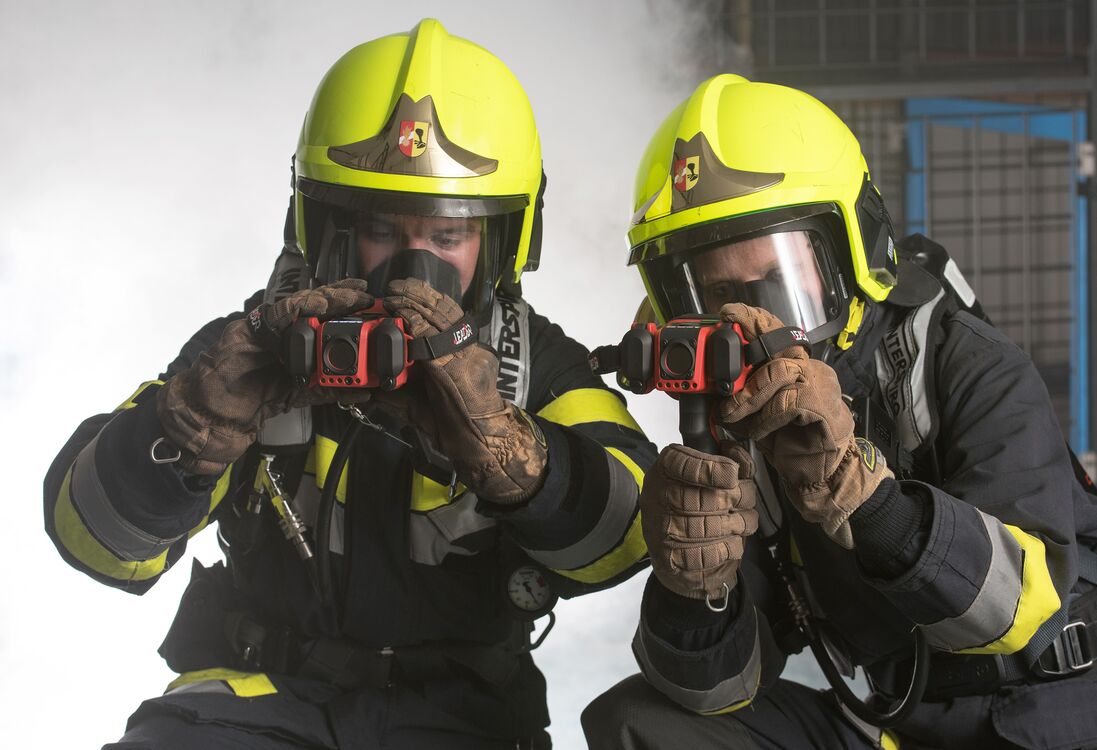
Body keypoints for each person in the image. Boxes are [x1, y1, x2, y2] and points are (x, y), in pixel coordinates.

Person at [44, 19, 655, 750]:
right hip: (250, 703)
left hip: (463, 717)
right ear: (328, 226)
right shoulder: (246, 353)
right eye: (382, 231)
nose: (412, 266)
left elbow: (630, 538)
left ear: (500, 240)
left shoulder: (537, 365)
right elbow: (95, 541)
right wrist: (182, 437)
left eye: (447, 236)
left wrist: (519, 461)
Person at [582, 74, 1097, 749]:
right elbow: (719, 687)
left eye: (778, 281)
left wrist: (862, 496)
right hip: (897, 726)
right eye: (719, 293)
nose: (755, 321)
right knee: (638, 721)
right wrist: (696, 590)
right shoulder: (743, 432)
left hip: (1056, 714)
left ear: (854, 253)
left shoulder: (968, 362)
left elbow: (1017, 609)